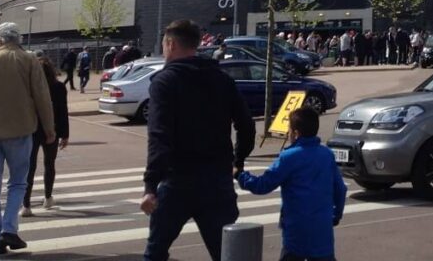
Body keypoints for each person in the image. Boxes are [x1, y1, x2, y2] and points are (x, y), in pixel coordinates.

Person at [140, 19, 255, 261]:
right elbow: (246, 124)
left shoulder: (165, 82)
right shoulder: (221, 79)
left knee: (156, 252)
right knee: (226, 252)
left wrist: (151, 185)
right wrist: (239, 160)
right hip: (217, 180)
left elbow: (159, 135)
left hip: (178, 179)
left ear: (170, 44)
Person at [0, 22, 56, 255]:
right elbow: (42, 96)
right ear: (18, 39)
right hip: (21, 132)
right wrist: (49, 128)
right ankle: (8, 229)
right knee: (18, 182)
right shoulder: (29, 60)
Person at [237, 106, 346, 261]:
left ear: (295, 133)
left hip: (297, 232)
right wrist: (336, 215)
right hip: (323, 233)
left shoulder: (288, 157)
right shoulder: (326, 155)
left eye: (289, 130)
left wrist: (240, 175)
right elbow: (340, 189)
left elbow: (263, 185)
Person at [23, 53, 69, 216]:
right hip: (52, 130)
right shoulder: (59, 87)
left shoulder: (29, 87)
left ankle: (26, 205)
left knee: (29, 167)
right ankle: (48, 197)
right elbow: (63, 112)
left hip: (32, 130)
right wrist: (65, 135)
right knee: (50, 164)